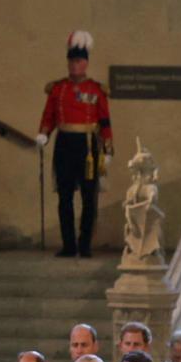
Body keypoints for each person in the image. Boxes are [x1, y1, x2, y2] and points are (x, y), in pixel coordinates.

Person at [35, 30, 113, 258]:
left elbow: (105, 121)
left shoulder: (96, 90)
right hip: (65, 143)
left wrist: (108, 150)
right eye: (71, 61)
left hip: (88, 145)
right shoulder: (58, 89)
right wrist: (44, 134)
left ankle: (85, 243)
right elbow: (48, 115)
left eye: (78, 61)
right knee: (65, 196)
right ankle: (69, 244)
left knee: (89, 197)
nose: (73, 65)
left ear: (86, 63)